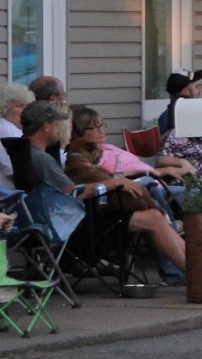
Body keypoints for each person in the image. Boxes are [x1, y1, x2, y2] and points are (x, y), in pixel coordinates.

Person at [21, 102, 188, 279]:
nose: (59, 129)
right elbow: (71, 193)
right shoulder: (41, 159)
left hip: (65, 217)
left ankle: (196, 271)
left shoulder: (26, 152)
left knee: (154, 215)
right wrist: (113, 183)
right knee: (153, 218)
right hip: (76, 222)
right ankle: (195, 274)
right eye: (56, 124)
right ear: (46, 126)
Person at [0, 81, 32, 189]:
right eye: (19, 106)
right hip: (9, 195)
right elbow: (12, 169)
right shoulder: (5, 129)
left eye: (27, 106)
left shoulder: (16, 129)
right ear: (5, 107)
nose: (24, 110)